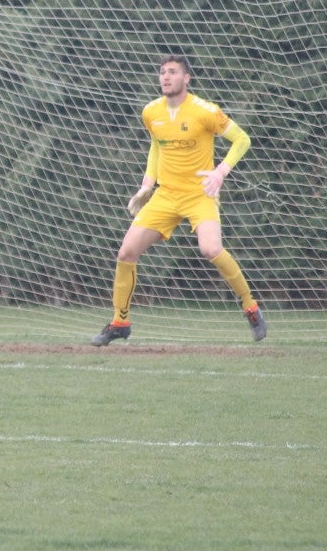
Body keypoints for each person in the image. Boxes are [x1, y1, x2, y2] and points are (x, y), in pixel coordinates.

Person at [91, 55, 266, 346]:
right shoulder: (150, 112)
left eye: (172, 72)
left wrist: (221, 172)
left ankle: (251, 308)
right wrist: (147, 184)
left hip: (199, 194)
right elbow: (156, 146)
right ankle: (120, 323)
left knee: (211, 248)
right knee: (126, 253)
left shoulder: (205, 111)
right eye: (162, 72)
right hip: (166, 195)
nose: (165, 77)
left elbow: (242, 140)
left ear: (187, 78)